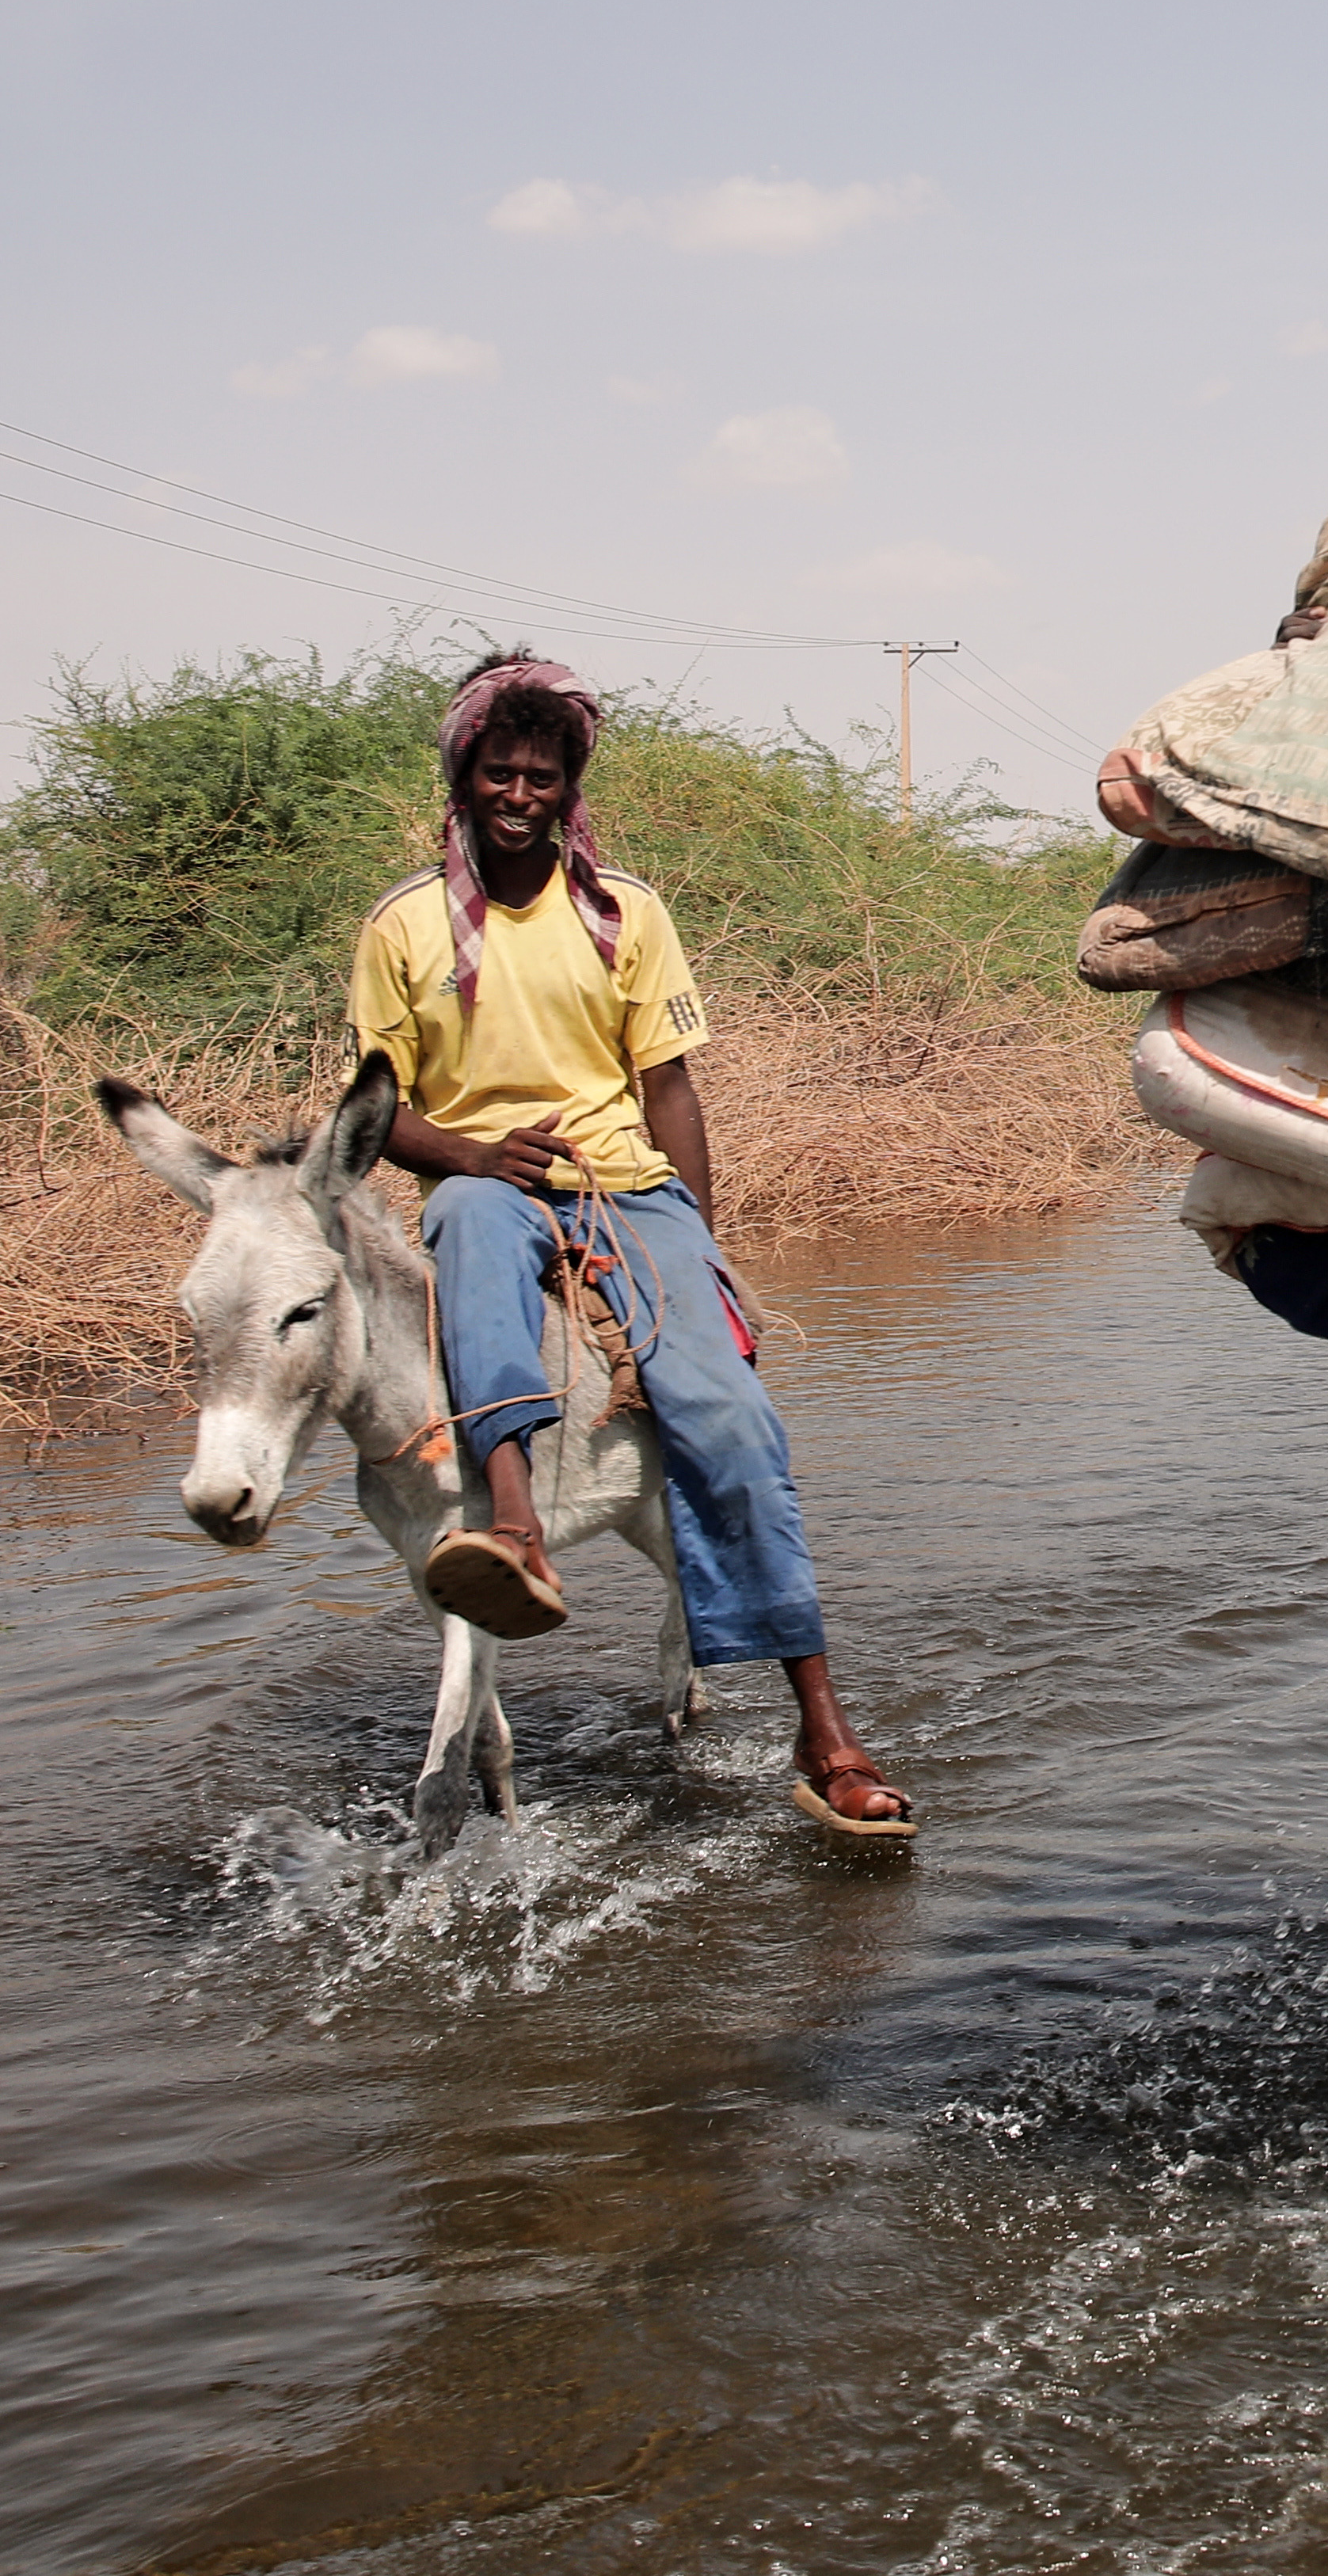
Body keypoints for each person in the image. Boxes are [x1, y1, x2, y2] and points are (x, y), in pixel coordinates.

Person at [344, 651, 917, 1838]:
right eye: (499, 772)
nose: (519, 795)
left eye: (541, 776)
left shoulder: (624, 913)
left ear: (569, 786)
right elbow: (377, 1110)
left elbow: (668, 1089)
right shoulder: (402, 925)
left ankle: (823, 1730)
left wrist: (698, 1244)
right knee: (468, 1239)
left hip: (624, 1187)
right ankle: (513, 1528)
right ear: (461, 777)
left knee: (734, 1418)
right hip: (486, 1182)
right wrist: (471, 1154)